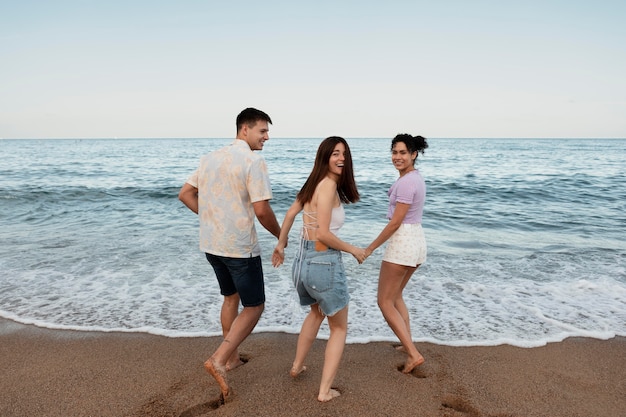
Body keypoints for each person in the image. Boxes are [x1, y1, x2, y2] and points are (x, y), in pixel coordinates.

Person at [178, 107, 281, 400]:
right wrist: (281, 236)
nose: (267, 137)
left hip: (212, 244)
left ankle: (233, 359)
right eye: (262, 131)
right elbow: (261, 209)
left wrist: (211, 218)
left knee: (230, 298)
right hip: (239, 247)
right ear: (244, 130)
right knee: (255, 306)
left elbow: (185, 194)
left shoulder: (209, 158)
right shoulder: (253, 161)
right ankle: (220, 359)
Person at [272, 136, 366, 402]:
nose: (341, 159)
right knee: (339, 328)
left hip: (302, 262)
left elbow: (291, 214)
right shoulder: (327, 187)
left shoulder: (312, 185)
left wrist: (281, 245)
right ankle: (324, 392)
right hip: (323, 263)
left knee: (315, 313)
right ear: (324, 156)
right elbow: (324, 234)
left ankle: (296, 366)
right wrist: (354, 249)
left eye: (344, 155)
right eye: (335, 153)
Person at [364, 133, 429, 374]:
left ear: (413, 154)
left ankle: (413, 354)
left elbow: (395, 223)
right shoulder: (415, 178)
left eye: (403, 152)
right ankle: (407, 343)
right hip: (416, 241)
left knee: (384, 301)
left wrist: (369, 248)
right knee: (397, 295)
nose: (397, 157)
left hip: (403, 243)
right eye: (394, 152)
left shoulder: (406, 182)